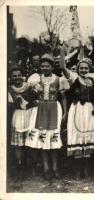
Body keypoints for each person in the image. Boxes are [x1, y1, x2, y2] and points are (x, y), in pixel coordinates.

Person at [25, 54, 68, 182]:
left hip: (54, 109)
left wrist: (65, 112)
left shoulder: (59, 79)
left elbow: (64, 97)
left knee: (53, 140)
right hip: (41, 110)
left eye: (47, 66)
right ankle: (46, 169)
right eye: (42, 66)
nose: (44, 68)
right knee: (43, 139)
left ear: (52, 66)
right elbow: (32, 96)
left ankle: (55, 168)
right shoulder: (37, 80)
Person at [62, 57, 94, 179]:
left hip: (88, 110)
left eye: (86, 68)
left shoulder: (93, 80)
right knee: (77, 137)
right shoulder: (75, 78)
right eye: (81, 68)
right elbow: (63, 68)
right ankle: (77, 170)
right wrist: (62, 55)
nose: (83, 70)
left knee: (88, 136)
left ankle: (86, 169)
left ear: (89, 69)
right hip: (77, 110)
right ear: (78, 69)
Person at [8, 67, 38, 182]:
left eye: (19, 75)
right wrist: (15, 103)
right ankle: (20, 169)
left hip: (30, 115)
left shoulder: (29, 86)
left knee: (31, 143)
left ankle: (33, 168)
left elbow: (37, 99)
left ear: (23, 76)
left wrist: (33, 102)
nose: (17, 78)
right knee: (18, 145)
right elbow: (9, 106)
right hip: (18, 116)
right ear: (11, 78)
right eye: (14, 76)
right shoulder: (9, 89)